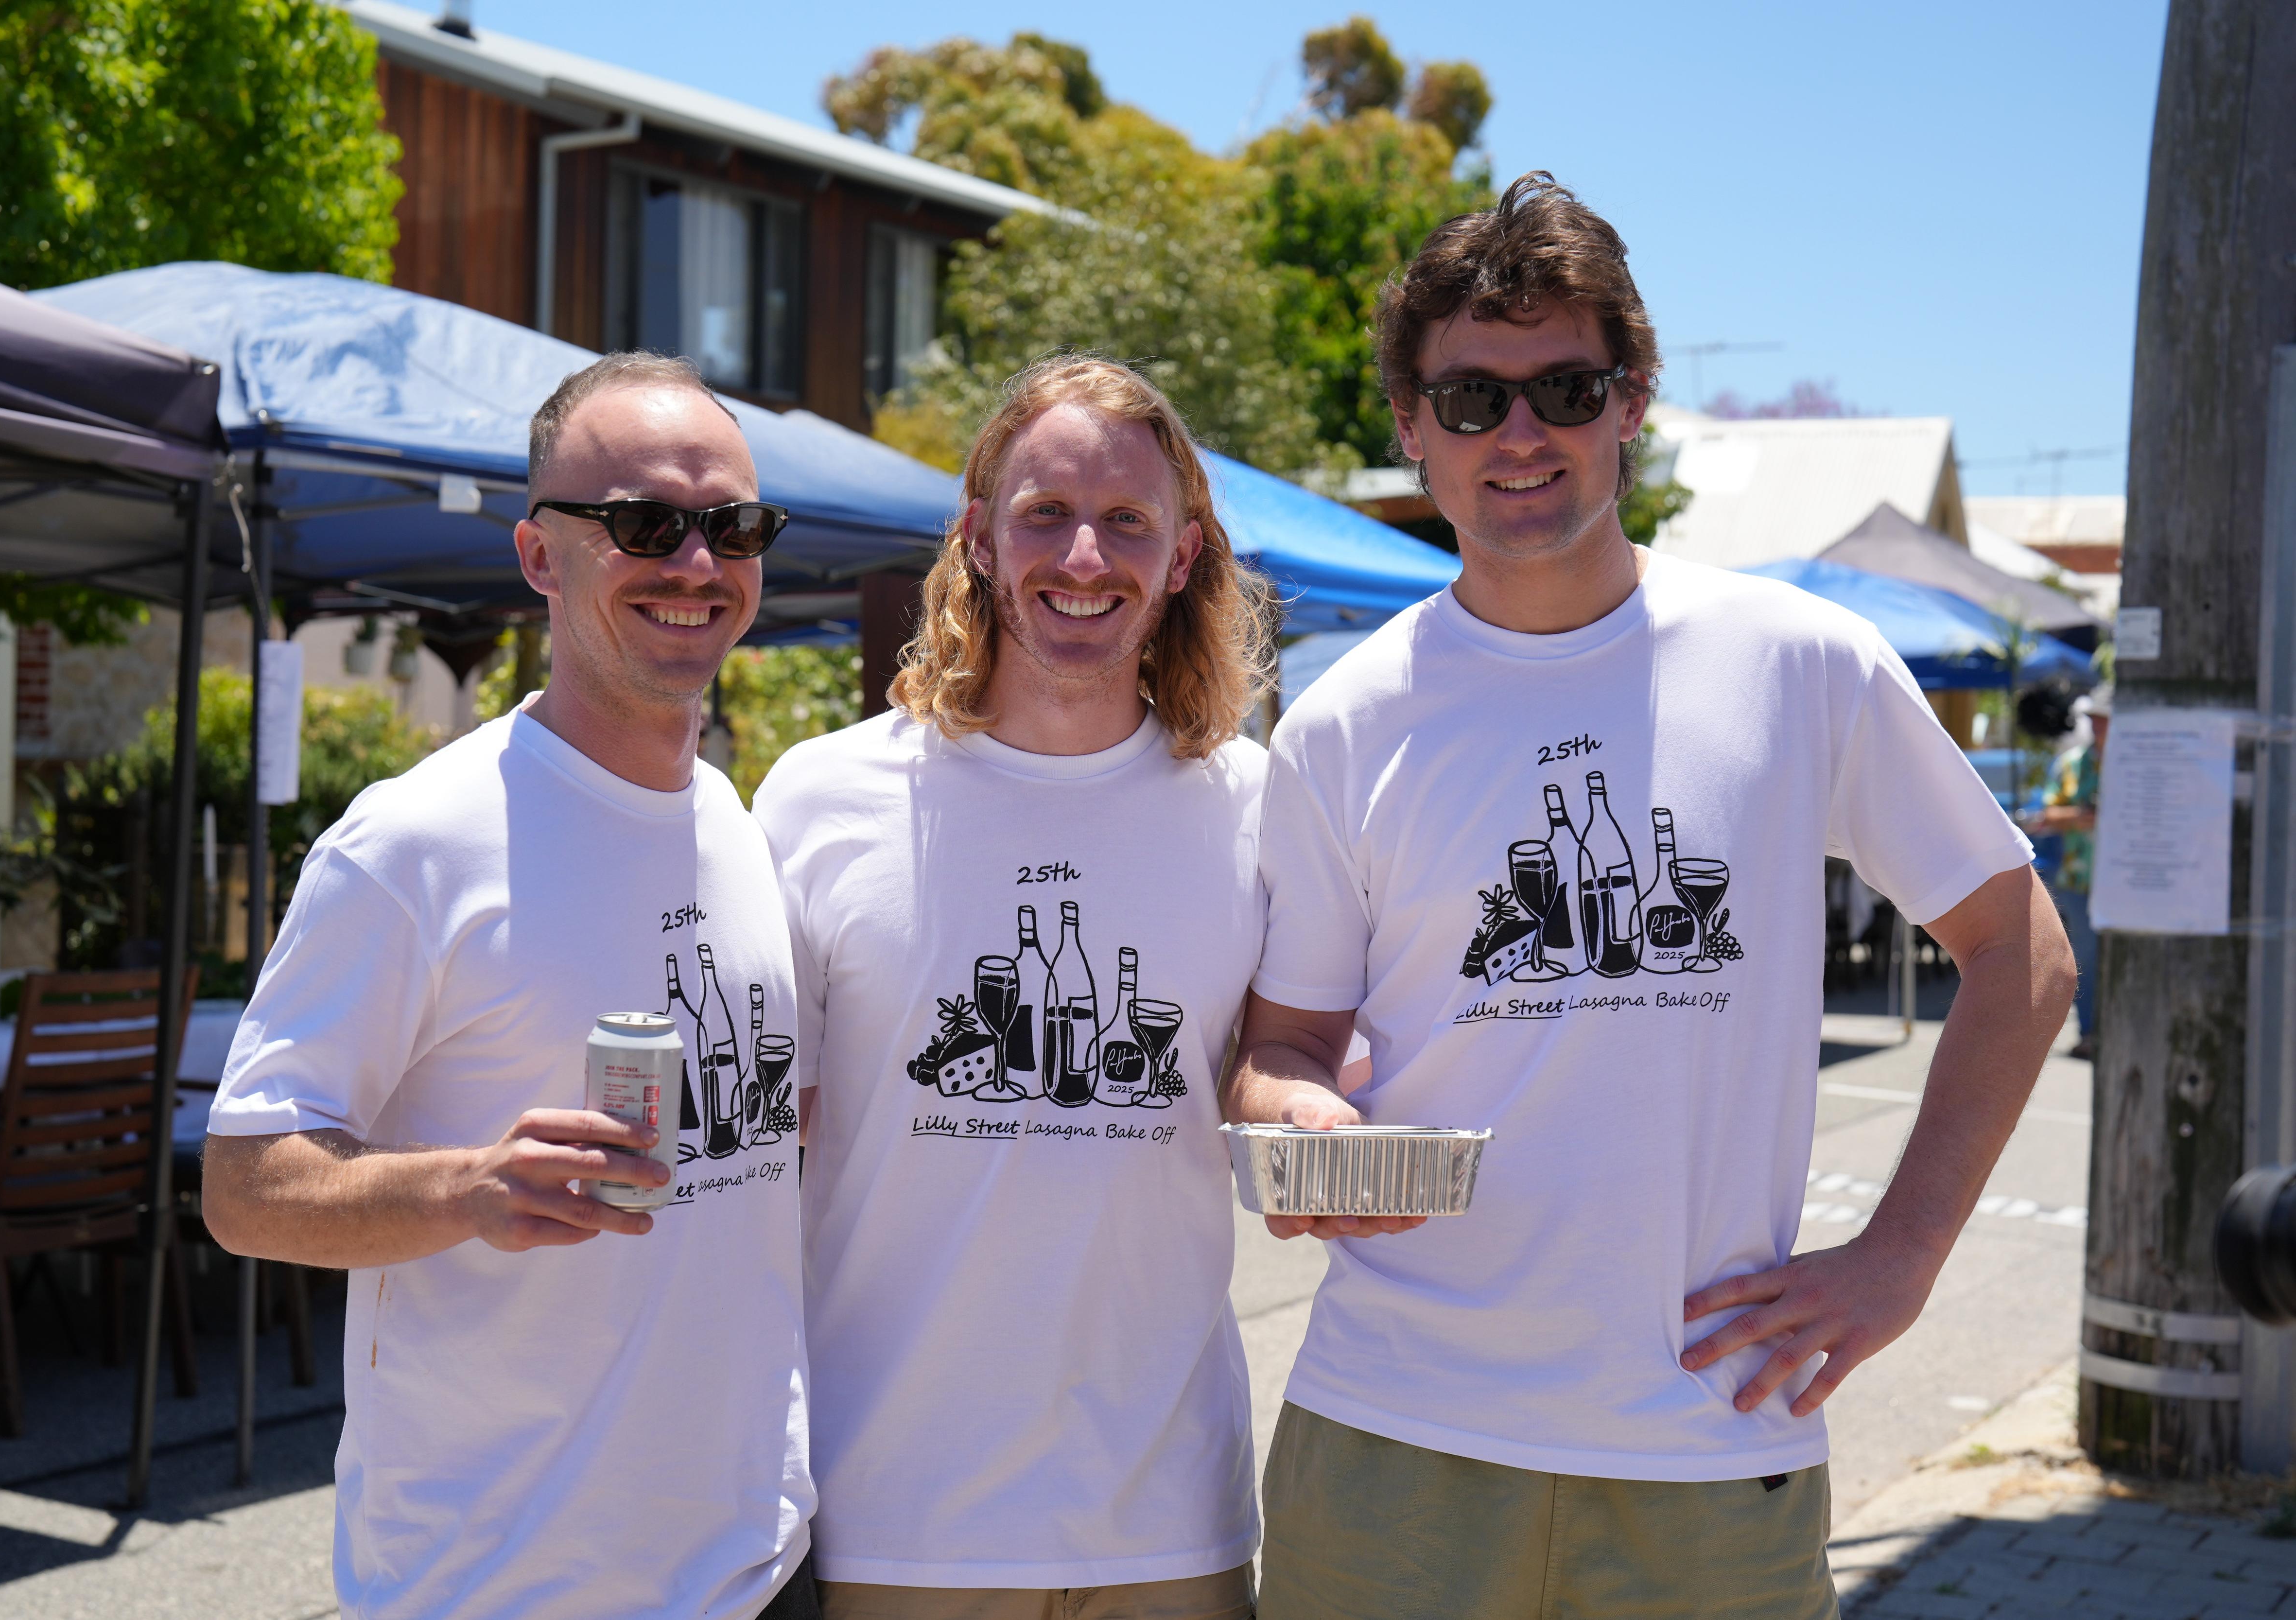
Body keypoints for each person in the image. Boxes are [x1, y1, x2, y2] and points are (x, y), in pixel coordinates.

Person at [1228, 174, 2077, 1618]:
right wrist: (1298, 1122)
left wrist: (1900, 1256)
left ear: (1631, 400)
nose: (1518, 434)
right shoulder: (1342, 720)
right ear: (1408, 425)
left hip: (1705, 1441)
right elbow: (1282, 1041)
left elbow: (2019, 951)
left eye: (1563, 386)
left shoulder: (1795, 662)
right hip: (1394, 1445)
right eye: (1469, 398)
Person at [202, 354, 818, 1620]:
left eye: (735, 527)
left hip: (759, 1567)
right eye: (647, 524)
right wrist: (466, 1185)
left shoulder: (739, 824)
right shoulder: (414, 842)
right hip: (501, 1585)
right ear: (543, 556)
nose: (698, 564)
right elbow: (246, 1186)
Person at [752, 357, 1271, 1620]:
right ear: (977, 539)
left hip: (1171, 1519)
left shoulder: (1260, 811)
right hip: (897, 1517)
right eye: (1044, 512)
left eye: (1128, 521)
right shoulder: (821, 800)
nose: (1084, 555)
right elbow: (757, 1152)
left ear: (1186, 554)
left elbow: (1285, 1075)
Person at [2027, 686, 2106, 1060]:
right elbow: (2047, 814)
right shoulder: (2071, 763)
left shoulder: (2136, 761)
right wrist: (2086, 816)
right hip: (2079, 879)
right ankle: (2091, 1032)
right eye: (2097, 720)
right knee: (2088, 958)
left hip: (2124, 883)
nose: (2102, 727)